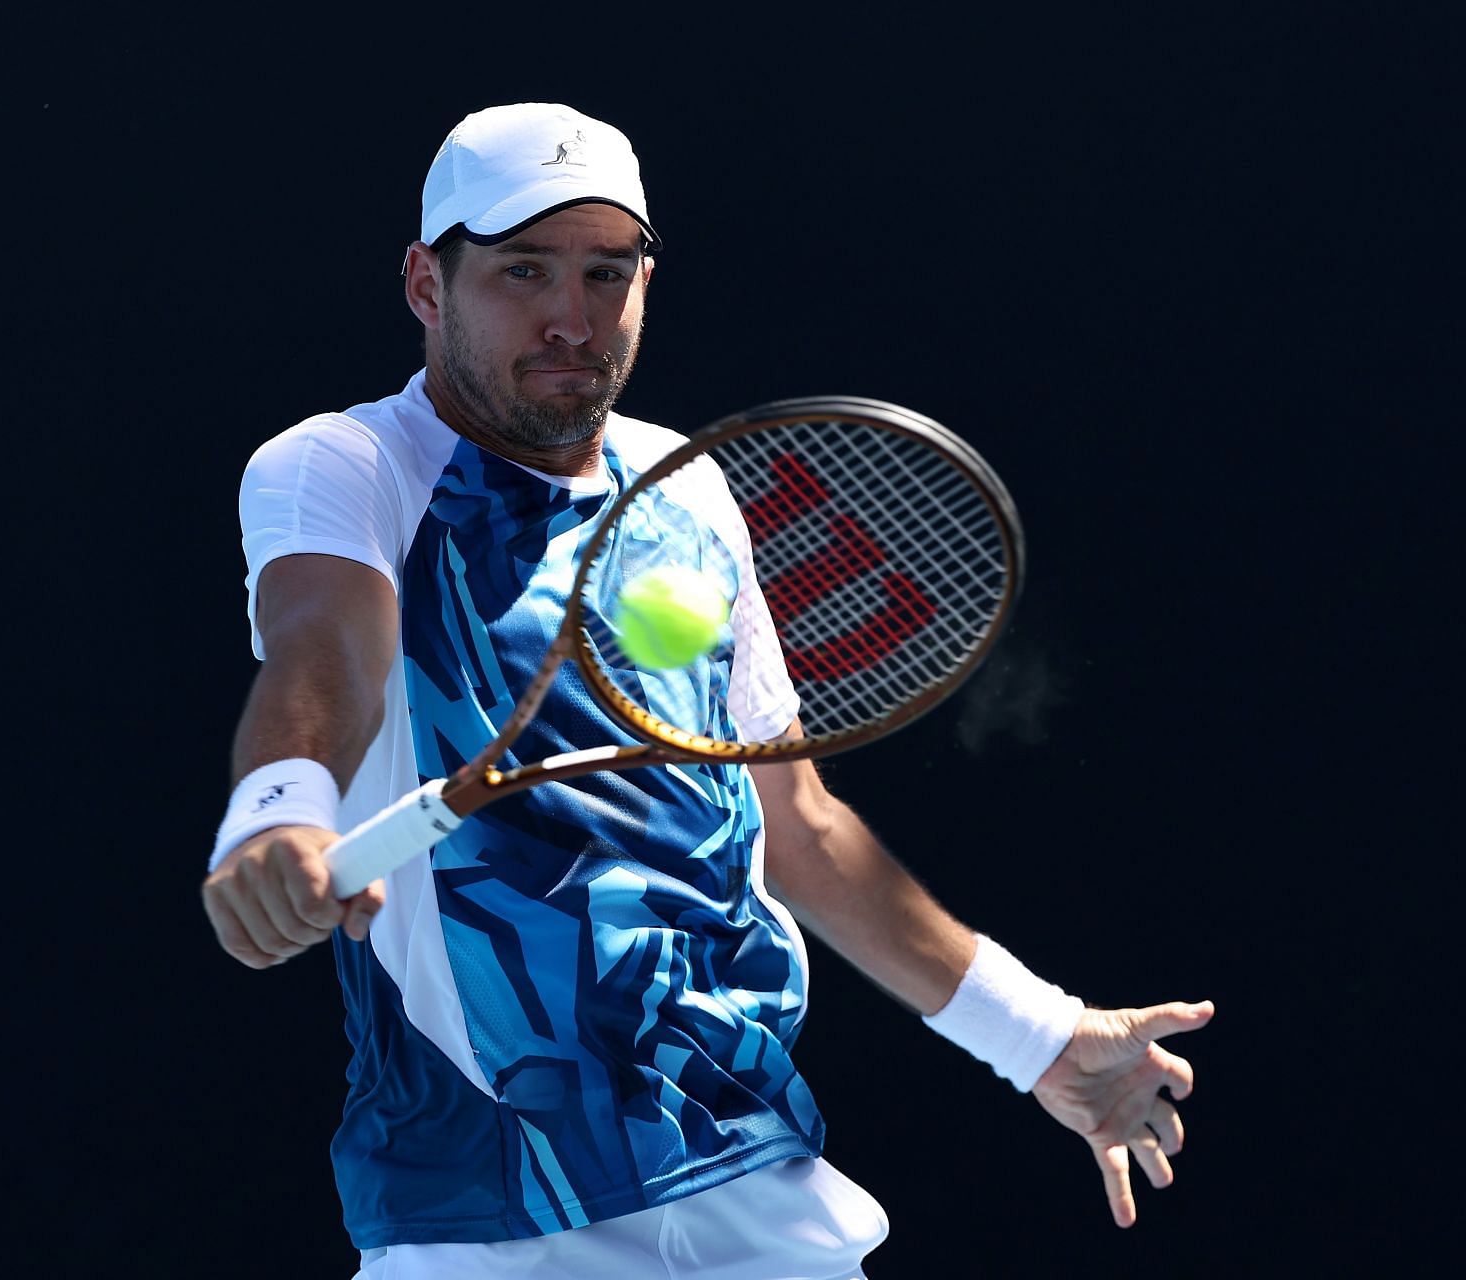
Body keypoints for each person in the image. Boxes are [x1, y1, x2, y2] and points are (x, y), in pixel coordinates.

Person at [201, 101, 1214, 1279]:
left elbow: (796, 821)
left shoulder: (684, 490)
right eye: (523, 270)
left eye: (606, 272)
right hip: (488, 1209)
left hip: (753, 1177)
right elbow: (329, 643)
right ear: (427, 283)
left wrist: (1039, 1034)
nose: (571, 318)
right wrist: (279, 807)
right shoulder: (349, 464)